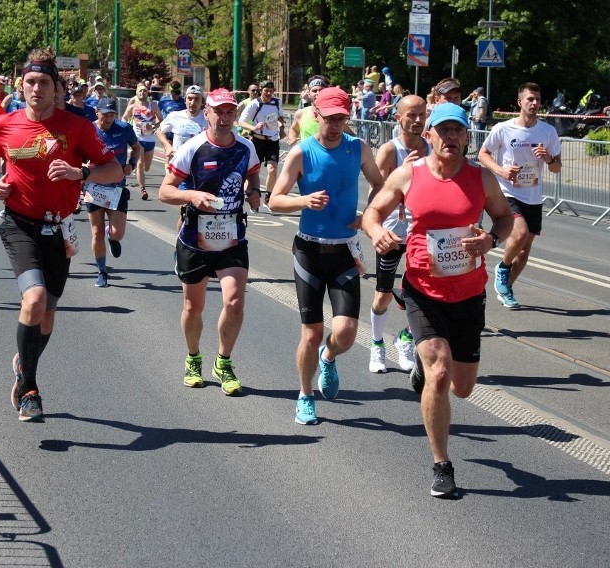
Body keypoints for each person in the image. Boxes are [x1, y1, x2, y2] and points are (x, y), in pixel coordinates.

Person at [361, 102, 514, 498]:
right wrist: (376, 232)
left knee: (462, 387)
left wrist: (491, 240)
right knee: (440, 373)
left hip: (468, 294)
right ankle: (441, 464)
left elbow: (505, 218)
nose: (450, 137)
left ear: (467, 136)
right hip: (422, 291)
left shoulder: (482, 180)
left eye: (457, 131)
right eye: (442, 130)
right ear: (428, 134)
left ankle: (421, 377)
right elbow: (372, 212)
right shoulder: (408, 175)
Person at [0, 48, 123, 422]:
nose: (37, 88)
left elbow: (115, 170)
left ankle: (22, 364)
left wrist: (81, 174)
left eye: (44, 82)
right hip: (18, 223)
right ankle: (30, 389)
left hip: (58, 228)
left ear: (56, 87)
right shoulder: (3, 124)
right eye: (31, 81)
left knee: (47, 315)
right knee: (35, 300)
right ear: (21, 85)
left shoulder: (76, 126)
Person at [268, 87, 384, 425]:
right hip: (309, 251)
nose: (335, 125)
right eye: (329, 118)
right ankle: (305, 395)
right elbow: (275, 200)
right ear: (316, 114)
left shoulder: (358, 148)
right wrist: (304, 201)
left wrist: (369, 215)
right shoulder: (302, 153)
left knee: (346, 331)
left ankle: (329, 357)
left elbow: (381, 184)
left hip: (346, 250)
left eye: (341, 119)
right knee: (311, 333)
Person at [158, 88, 261, 396]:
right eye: (219, 111)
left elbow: (253, 175)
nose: (225, 117)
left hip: (232, 236)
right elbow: (165, 190)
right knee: (194, 306)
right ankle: (193, 358)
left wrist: (253, 192)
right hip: (195, 238)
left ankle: (224, 362)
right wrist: (190, 195)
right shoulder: (193, 147)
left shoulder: (245, 148)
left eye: (230, 112)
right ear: (207, 113)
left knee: (235, 301)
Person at [478, 82, 562, 309]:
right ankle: (503, 268)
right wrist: (500, 171)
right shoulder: (503, 129)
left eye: (537, 99)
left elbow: (557, 168)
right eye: (529, 99)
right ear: (520, 102)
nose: (534, 103)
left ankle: (506, 288)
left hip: (533, 196)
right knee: (520, 233)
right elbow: (483, 153)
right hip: (508, 192)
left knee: (524, 250)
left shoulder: (548, 132)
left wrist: (549, 159)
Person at [367, 95, 428, 374]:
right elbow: (376, 192)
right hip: (392, 232)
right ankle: (377, 345)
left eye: (421, 115)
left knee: (426, 296)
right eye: (411, 115)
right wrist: (374, 227)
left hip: (421, 233)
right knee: (383, 296)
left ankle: (404, 337)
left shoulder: (431, 147)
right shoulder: (390, 151)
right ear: (398, 118)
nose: (417, 120)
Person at [84, 97, 142, 288]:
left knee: (118, 233)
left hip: (117, 187)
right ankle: (102, 271)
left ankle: (112, 236)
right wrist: (84, 165)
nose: (108, 119)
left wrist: (131, 165)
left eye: (112, 115)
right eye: (104, 115)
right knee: (96, 231)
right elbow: (76, 154)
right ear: (96, 113)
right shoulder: (88, 129)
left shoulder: (124, 128)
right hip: (94, 186)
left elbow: (136, 148)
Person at [238, 80, 284, 208]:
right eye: (266, 91)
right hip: (258, 141)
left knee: (273, 169)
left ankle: (268, 196)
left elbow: (280, 118)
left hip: (273, 140)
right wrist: (253, 127)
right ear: (261, 91)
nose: (268, 93)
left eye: (271, 91)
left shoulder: (277, 102)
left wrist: (280, 127)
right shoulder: (255, 104)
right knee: (254, 172)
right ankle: (253, 194)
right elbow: (242, 121)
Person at [122, 83, 162, 200]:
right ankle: (142, 189)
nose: (142, 93)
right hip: (137, 138)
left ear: (147, 93)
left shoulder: (153, 105)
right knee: (139, 164)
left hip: (149, 139)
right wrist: (128, 127)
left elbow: (161, 119)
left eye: (144, 91)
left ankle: (142, 174)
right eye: (140, 91)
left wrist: (153, 127)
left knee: (147, 167)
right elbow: (124, 117)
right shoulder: (132, 107)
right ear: (136, 93)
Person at [155, 85, 207, 162]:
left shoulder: (208, 118)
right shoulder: (175, 116)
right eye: (189, 99)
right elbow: (159, 131)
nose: (192, 102)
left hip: (198, 163)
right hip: (178, 163)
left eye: (197, 99)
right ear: (185, 100)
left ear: (202, 102)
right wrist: (167, 146)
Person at [286, 75, 330, 146]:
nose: (317, 93)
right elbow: (293, 129)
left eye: (321, 90)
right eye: (314, 91)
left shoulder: (334, 114)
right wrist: (292, 137)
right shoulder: (301, 113)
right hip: (306, 156)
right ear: (309, 94)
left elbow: (350, 136)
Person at [462, 87, 488, 152]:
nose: (474, 94)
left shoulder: (481, 100)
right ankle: (466, 150)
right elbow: (463, 102)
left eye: (475, 92)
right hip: (472, 122)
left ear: (478, 92)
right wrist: (469, 96)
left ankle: (479, 153)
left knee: (478, 138)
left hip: (477, 121)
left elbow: (482, 112)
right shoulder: (474, 102)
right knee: (470, 137)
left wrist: (476, 118)